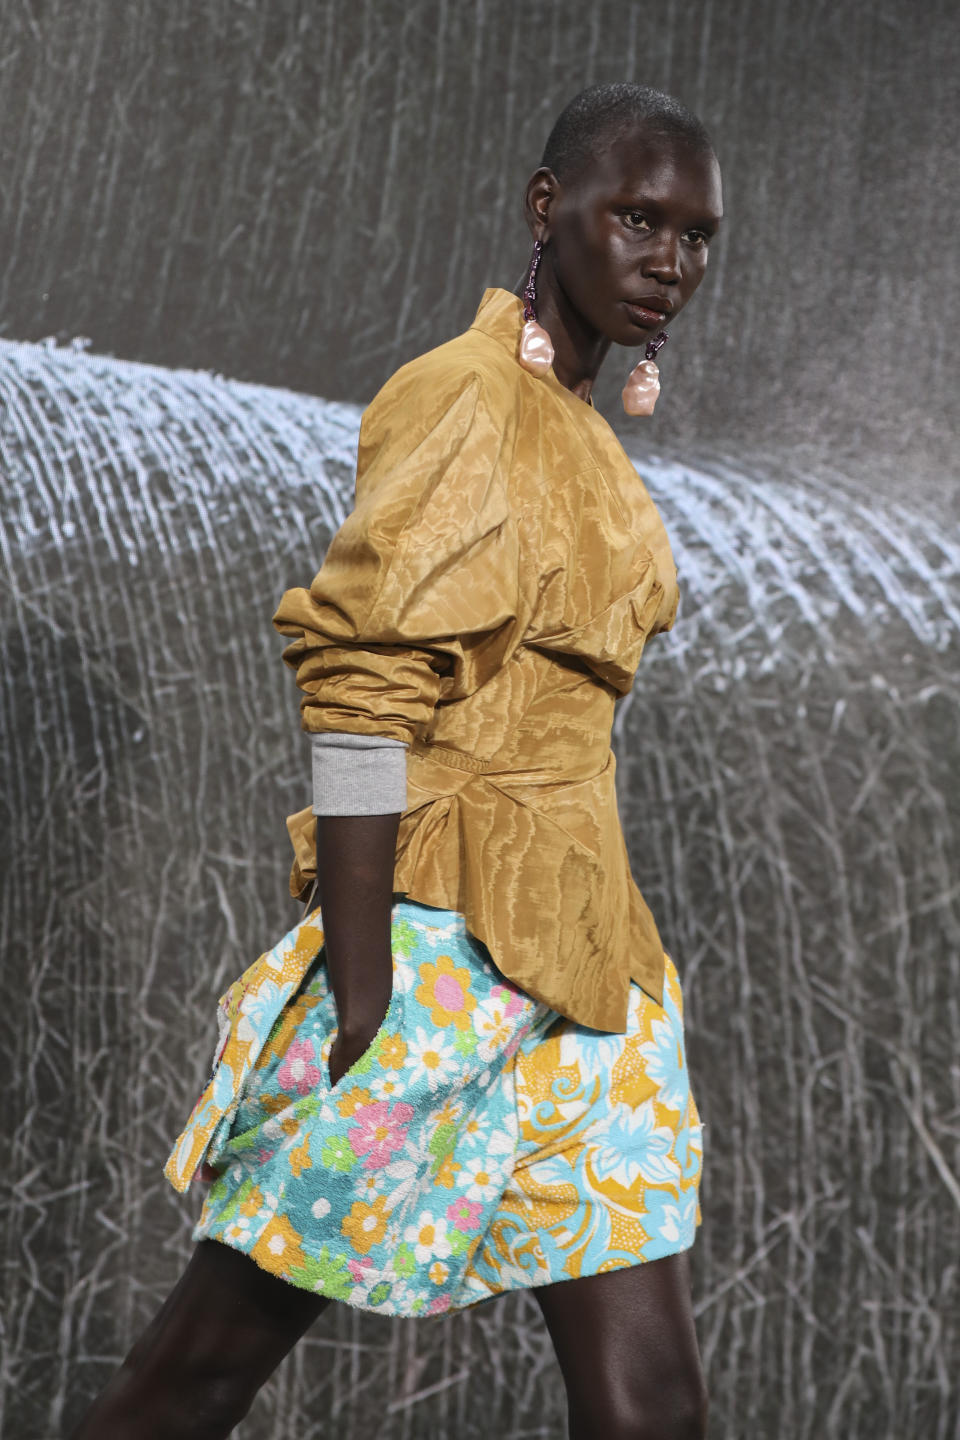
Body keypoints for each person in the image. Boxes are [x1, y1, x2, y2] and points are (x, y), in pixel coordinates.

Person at [71, 81, 723, 1440]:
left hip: (597, 984)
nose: (671, 260)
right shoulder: (463, 399)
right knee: (195, 1377)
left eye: (697, 235)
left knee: (652, 1402)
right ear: (552, 210)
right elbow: (364, 686)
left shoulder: (590, 439)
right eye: (639, 218)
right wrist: (361, 975)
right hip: (434, 953)